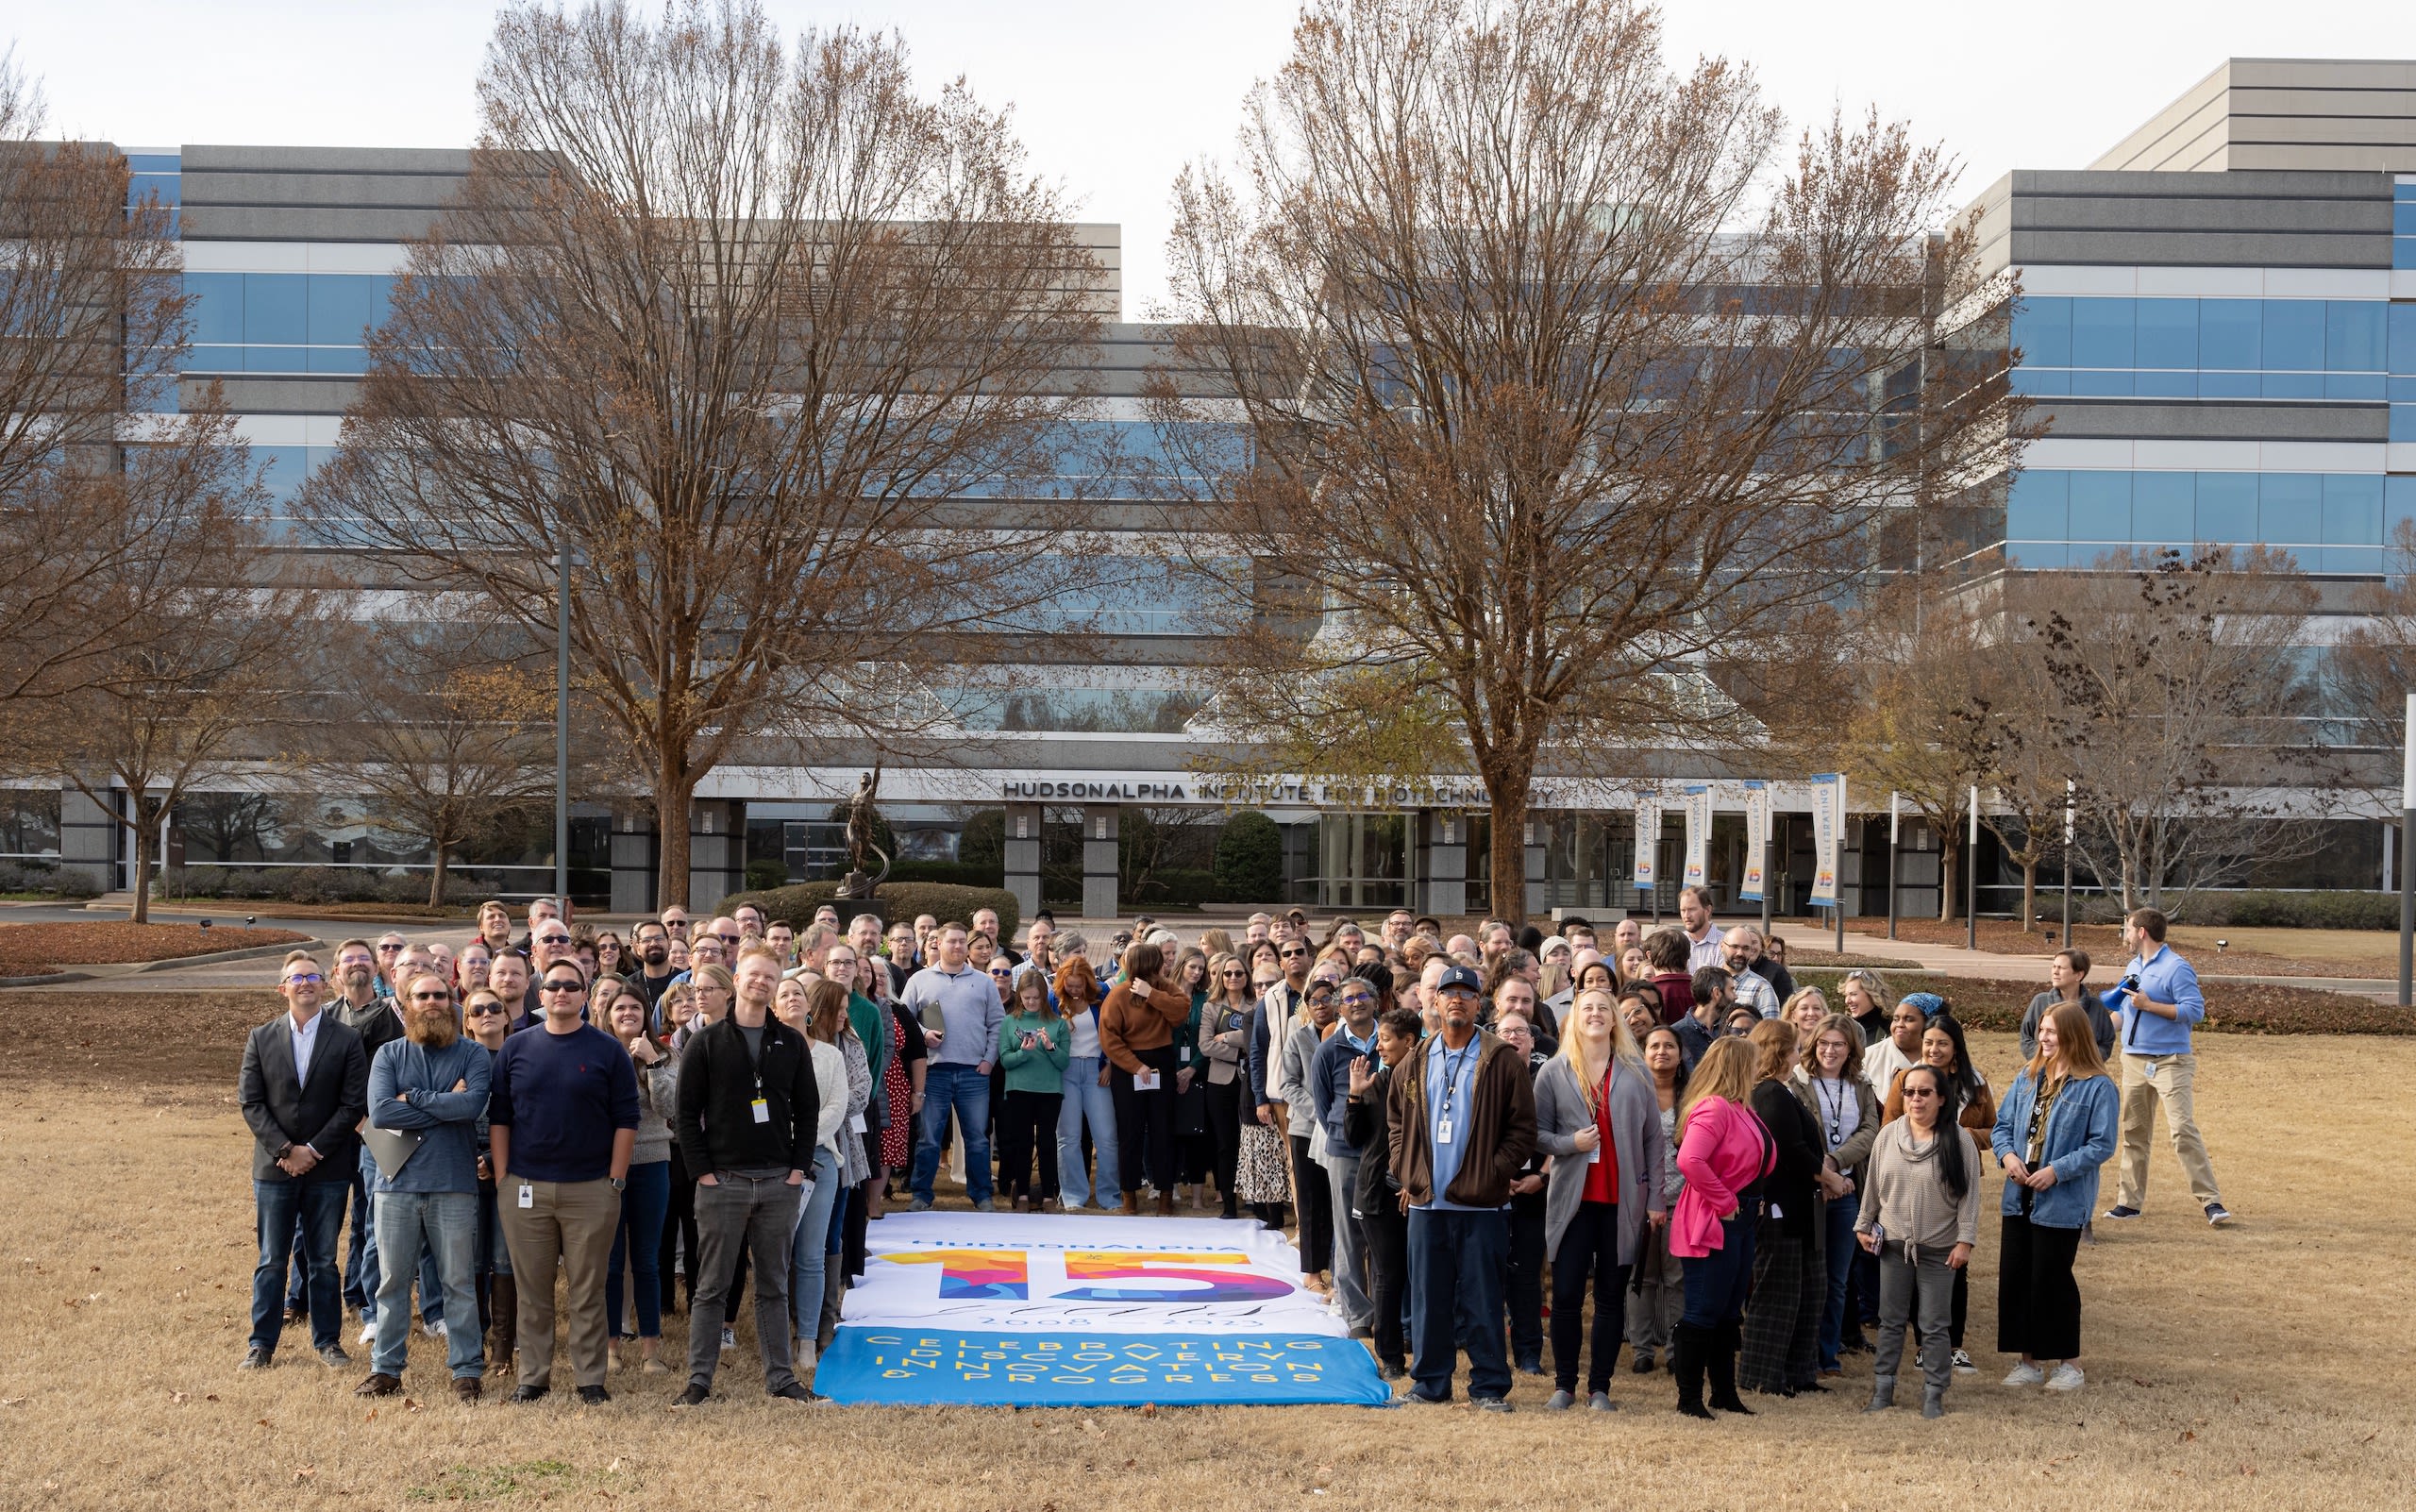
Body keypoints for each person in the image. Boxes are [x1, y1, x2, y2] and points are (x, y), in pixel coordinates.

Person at [671, 947, 819, 1406]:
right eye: (753, 974)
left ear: (778, 986)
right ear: (736, 979)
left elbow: (808, 1110)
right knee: (711, 1286)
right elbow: (685, 1112)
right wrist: (703, 1174)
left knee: (773, 1285)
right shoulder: (707, 1042)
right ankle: (700, 1380)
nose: (761, 983)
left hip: (778, 1182)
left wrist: (797, 1169)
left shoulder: (791, 1042)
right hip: (723, 1182)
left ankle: (781, 1379)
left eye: (770, 977)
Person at [1384, 963, 1535, 1410]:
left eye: (1465, 993)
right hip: (1428, 1205)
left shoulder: (1500, 1058)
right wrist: (1405, 1167)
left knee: (1483, 1300)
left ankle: (1489, 1388)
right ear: (1434, 1001)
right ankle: (1430, 1385)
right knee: (1429, 1302)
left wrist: (1494, 1172)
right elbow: (1395, 1123)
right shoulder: (1416, 1059)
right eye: (1448, 992)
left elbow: (1523, 1129)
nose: (1456, 999)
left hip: (1481, 1205)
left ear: (1478, 1003)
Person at [489, 960, 640, 1404]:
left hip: (591, 1190)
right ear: (541, 994)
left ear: (585, 994)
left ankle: (590, 1378)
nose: (561, 993)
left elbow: (626, 1120)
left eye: (571, 986)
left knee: (587, 1289)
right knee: (532, 1289)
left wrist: (615, 1179)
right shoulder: (515, 1049)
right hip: (524, 1188)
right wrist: (502, 1178)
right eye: (553, 985)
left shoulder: (608, 1050)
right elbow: (499, 1118)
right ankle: (533, 1377)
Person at [358, 971, 493, 1401]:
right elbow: (381, 1114)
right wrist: (443, 1103)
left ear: (452, 1002)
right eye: (422, 996)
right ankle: (386, 1370)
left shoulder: (473, 1054)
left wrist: (411, 1098)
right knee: (393, 1282)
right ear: (407, 1002)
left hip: (453, 1185)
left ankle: (467, 1370)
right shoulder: (388, 1055)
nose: (432, 1002)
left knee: (457, 1282)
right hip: (395, 1185)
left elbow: (471, 1105)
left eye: (440, 995)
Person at [1531, 987, 1665, 1412]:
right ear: (1574, 1018)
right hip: (1573, 1201)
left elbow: (1654, 1141)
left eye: (1602, 1009)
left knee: (1611, 1296)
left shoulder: (1636, 1071)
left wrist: (1656, 1199)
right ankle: (1565, 1385)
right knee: (1567, 1294)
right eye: (1586, 1008)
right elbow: (1535, 1134)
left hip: (1621, 1202)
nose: (1594, 1015)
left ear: (1614, 1019)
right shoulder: (1553, 1072)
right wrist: (1570, 1142)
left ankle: (1600, 1388)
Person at [240, 953, 370, 1371]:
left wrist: (312, 1151)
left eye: (313, 976)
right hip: (274, 1170)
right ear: (283, 988)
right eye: (297, 977)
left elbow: (353, 1106)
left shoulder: (347, 1039)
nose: (306, 983)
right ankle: (261, 1344)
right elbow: (252, 1103)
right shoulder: (261, 1038)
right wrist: (285, 1150)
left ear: (324, 984)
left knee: (322, 1260)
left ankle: (328, 1341)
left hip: (327, 1168)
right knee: (272, 1259)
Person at [1994, 1001, 2120, 1393]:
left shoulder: (2097, 1086)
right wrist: (2008, 1156)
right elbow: (2002, 1126)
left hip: (2061, 1200)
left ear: (2072, 1035)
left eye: (2050, 1031)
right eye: (2041, 1031)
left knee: (2052, 1280)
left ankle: (2070, 1365)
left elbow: (2102, 1144)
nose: (2042, 1038)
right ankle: (2028, 1362)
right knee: (2017, 1278)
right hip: (2019, 1196)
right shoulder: (2028, 1078)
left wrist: (2057, 1170)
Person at [1856, 1063, 1981, 1419]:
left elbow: (1970, 1198)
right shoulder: (1887, 1136)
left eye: (1924, 1092)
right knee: (1891, 1319)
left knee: (1934, 1324)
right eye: (1909, 1092)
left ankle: (1934, 1394)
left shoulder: (1959, 1141)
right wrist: (1864, 1224)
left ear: (1942, 1098)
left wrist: (1965, 1242)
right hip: (1893, 1246)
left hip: (1940, 1250)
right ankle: (1882, 1390)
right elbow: (1873, 1187)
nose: (1915, 1099)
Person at [1880, 1011, 1996, 1373]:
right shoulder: (1906, 1080)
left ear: (1956, 1048)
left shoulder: (1975, 1085)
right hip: (1912, 1181)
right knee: (1913, 1261)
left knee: (1955, 1264)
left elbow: (1994, 1130)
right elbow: (1890, 1126)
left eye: (1942, 1043)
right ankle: (1922, 1346)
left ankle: (1954, 1345)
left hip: (1957, 1180)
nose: (1933, 1048)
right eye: (1928, 1042)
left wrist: (1958, 1138)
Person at [1667, 1036, 1774, 1420]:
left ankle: (1724, 1393)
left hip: (1740, 1219)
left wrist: (1751, 1197)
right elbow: (1690, 1160)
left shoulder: (1741, 1108)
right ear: (1738, 1067)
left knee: (1728, 1310)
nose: (1759, 1069)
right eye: (1753, 1063)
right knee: (1704, 1308)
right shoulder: (1714, 1108)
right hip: (1716, 1219)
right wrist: (1727, 1201)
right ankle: (1689, 1398)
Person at [2102, 909, 2228, 1225]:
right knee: (2134, 1132)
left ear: (2142, 932)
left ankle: (2212, 1203)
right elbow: (2125, 1014)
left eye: (2128, 929)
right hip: (2133, 1061)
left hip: (2171, 1062)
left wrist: (2150, 1005)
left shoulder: (2177, 968)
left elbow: (2194, 1011)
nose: (2125, 934)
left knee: (2182, 1130)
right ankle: (2129, 1204)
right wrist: (2094, 1032)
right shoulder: (2134, 966)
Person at [1737, 1019, 1831, 1397]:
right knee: (1778, 1293)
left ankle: (1799, 1371)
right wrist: (1829, 1177)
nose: (1799, 1052)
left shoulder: (1783, 1090)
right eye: (1794, 1047)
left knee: (1809, 1292)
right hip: (1781, 1210)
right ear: (1779, 1050)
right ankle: (1763, 1374)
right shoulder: (1769, 1094)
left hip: (1800, 1210)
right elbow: (1791, 1150)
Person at [1792, 1013, 1880, 1375]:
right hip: (1808, 1189)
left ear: (1850, 1049)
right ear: (1814, 1044)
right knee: (1805, 1276)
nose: (1830, 1050)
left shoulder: (1860, 1083)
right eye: (1824, 1043)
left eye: (1838, 1045)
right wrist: (1823, 1172)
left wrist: (1835, 1160)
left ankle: (1827, 1355)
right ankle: (1802, 1354)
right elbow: (1795, 1134)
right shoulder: (1798, 1081)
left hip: (1846, 1191)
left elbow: (1870, 1128)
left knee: (1837, 1280)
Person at [790, 979, 868, 1374]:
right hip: (774, 1161)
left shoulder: (840, 1051)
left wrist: (801, 1142)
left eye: (847, 1009)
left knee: (817, 1247)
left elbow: (848, 1100)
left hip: (827, 1156)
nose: (844, 1015)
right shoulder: (767, 1050)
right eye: (838, 1007)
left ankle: (816, 1330)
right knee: (778, 1254)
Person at [903, 922, 1002, 1214]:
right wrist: (922, 1034)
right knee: (929, 1139)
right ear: (939, 945)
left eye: (962, 942)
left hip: (974, 1073)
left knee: (977, 1140)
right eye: (952, 942)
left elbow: (997, 1023)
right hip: (934, 1072)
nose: (957, 946)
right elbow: (905, 1020)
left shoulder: (983, 982)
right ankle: (921, 1194)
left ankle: (982, 1195)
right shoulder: (920, 980)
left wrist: (989, 1060)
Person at [1344, 1006, 1421, 1381]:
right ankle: (1390, 1356)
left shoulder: (1426, 1082)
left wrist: (1413, 1180)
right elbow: (1354, 1139)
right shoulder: (1374, 1083)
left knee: (1419, 1273)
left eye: (1386, 1039)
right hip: (1376, 1194)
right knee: (1388, 1276)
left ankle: (1421, 1345)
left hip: (1419, 1191)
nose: (1378, 1046)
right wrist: (1354, 1098)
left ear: (1410, 1042)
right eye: (1378, 1040)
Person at [602, 989, 675, 1375]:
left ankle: (650, 1351)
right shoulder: (596, 1053)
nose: (628, 1013)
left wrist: (652, 1063)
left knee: (646, 1260)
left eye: (635, 1007)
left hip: (651, 1165)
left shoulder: (664, 1055)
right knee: (611, 1262)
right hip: (605, 1169)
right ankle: (610, 1347)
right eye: (620, 1008)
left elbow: (671, 1108)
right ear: (607, 1014)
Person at [1309, 976, 1384, 1338]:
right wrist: (1344, 1130)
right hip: (1345, 1152)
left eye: (1363, 995)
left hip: (1387, 1150)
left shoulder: (1390, 1044)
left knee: (1384, 1234)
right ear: (1339, 1007)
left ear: (1376, 1001)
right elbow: (1323, 1106)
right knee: (1349, 1234)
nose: (1357, 1002)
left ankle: (1388, 1312)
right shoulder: (1329, 1050)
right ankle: (1358, 1316)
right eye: (1349, 998)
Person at [1100, 939, 1190, 1215]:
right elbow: (1109, 1038)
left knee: (1163, 1130)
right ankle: (1129, 1195)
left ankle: (1165, 1193)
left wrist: (1152, 993)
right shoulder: (1117, 995)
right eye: (1157, 963)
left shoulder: (1163, 987)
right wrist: (1134, 1065)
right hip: (1129, 1067)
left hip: (1161, 1060)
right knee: (1130, 1132)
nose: (1163, 966)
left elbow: (1181, 1011)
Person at [1490, 1008, 1551, 1376]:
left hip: (1535, 1190)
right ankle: (1492, 1351)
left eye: (1520, 1031)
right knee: (1489, 1274)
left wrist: (1541, 1178)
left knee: (1527, 1276)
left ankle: (1529, 1354)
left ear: (1532, 1041)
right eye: (1505, 1031)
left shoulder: (1548, 1081)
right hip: (1489, 1192)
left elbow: (1565, 1139)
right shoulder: (1481, 1079)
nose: (1513, 1037)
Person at [1626, 1025, 1686, 1374]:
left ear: (1680, 1055)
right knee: (1641, 1279)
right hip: (1640, 1201)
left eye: (1669, 1046)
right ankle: (1641, 1350)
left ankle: (1677, 1350)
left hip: (1682, 1201)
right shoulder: (1633, 1093)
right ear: (1643, 1053)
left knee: (1678, 1280)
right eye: (1654, 1046)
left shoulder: (1692, 1096)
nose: (1661, 1051)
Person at [1277, 975, 1340, 1285]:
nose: (1320, 1006)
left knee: (1336, 1202)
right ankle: (1312, 1271)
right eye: (1313, 1001)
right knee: (1311, 1202)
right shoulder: (1298, 1038)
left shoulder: (1345, 1035)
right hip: (1306, 1129)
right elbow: (1287, 1084)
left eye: (1326, 999)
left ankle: (1337, 1268)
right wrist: (1320, 1112)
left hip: (1341, 1132)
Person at [1051, 954, 1117, 1211]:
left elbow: (1115, 1032)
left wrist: (1110, 1062)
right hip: (1065, 1070)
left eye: (1080, 985)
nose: (1075, 990)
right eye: (1070, 985)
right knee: (1068, 1137)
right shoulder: (1054, 1000)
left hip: (1096, 1070)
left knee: (1107, 1137)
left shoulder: (1102, 999)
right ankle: (1072, 1196)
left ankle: (1109, 1196)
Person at [998, 969, 1069, 1210]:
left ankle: (1049, 1195)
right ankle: (1023, 1196)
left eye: (1036, 998)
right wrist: (1023, 1053)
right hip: (1019, 1089)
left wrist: (1050, 1047)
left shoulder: (1057, 1024)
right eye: (1027, 998)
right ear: (1020, 996)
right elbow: (1006, 1061)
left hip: (1049, 1091)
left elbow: (1063, 1063)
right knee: (1023, 1143)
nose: (1031, 1003)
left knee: (1047, 1142)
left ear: (1044, 996)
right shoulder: (1010, 1021)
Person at [1198, 951, 1255, 1219]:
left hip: (1250, 1083)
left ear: (1247, 977)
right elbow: (1205, 1045)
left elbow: (1257, 1040)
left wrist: (1229, 1037)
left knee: (1251, 1143)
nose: (1233, 977)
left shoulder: (1256, 1005)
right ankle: (1229, 1203)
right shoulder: (1210, 1006)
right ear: (1221, 977)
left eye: (1238, 973)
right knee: (1225, 1144)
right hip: (1219, 1083)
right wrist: (1239, 1050)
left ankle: (1255, 1199)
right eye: (1228, 973)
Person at [2022, 949, 2117, 1064]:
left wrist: (2084, 1061)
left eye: (2061, 968)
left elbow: (2106, 1044)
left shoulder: (2096, 1008)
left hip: (2084, 1075)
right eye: (2054, 966)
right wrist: (2045, 1060)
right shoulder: (2040, 1002)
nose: (2055, 972)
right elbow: (2026, 1039)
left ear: (2079, 975)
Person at [1863, 998, 1926, 1101]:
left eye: (1909, 1019)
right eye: (1896, 1019)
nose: (1900, 1024)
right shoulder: (1868, 1058)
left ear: (1927, 1024)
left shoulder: (1940, 1059)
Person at [1672, 966, 1731, 1068]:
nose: (1735, 996)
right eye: (1732, 989)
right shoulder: (1676, 1034)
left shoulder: (1730, 1029)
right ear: (1716, 993)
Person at [1721, 929, 1782, 1018]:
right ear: (1722, 946)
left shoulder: (1762, 989)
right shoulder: (1709, 980)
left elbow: (1771, 1031)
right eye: (1734, 947)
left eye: (1746, 948)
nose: (1740, 953)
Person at [1837, 968, 1890, 1048]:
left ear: (1872, 994)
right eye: (1846, 995)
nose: (1847, 1001)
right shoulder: (1843, 1028)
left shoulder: (1890, 1029)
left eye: (1853, 994)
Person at [1677, 886, 1722, 972]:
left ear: (1708, 910)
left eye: (1692, 909)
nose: (1686, 916)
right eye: (1683, 910)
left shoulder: (1724, 943)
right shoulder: (1676, 943)